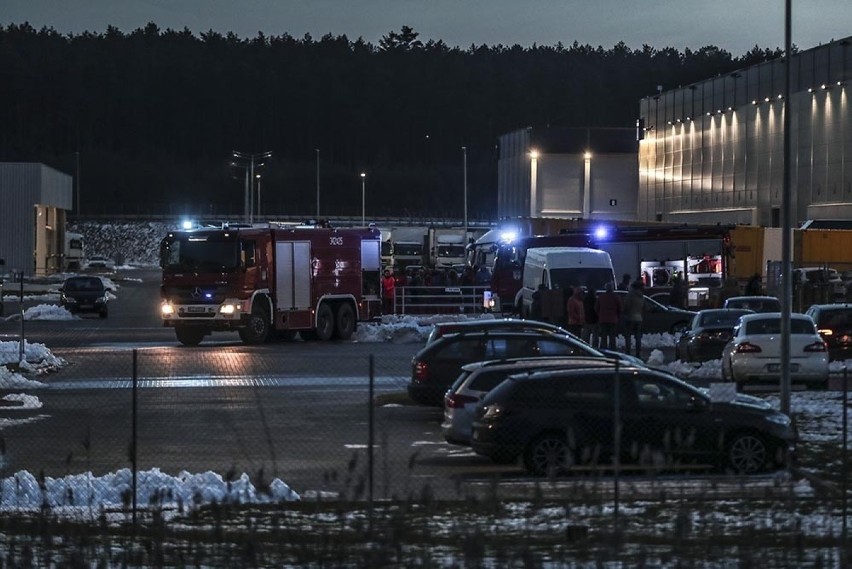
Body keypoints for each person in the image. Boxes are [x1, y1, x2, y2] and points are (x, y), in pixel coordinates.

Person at [595, 281, 622, 350]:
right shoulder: (616, 297)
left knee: (604, 336)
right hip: (613, 319)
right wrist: (618, 316)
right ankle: (612, 350)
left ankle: (604, 350)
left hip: (603, 319)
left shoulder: (601, 297)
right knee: (612, 336)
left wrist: (600, 315)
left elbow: (596, 308)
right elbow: (620, 308)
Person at [622, 281, 645, 357]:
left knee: (628, 336)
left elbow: (627, 306)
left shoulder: (630, 295)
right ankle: (638, 352)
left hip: (630, 317)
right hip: (639, 318)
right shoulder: (641, 296)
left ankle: (628, 352)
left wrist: (624, 312)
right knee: (638, 337)